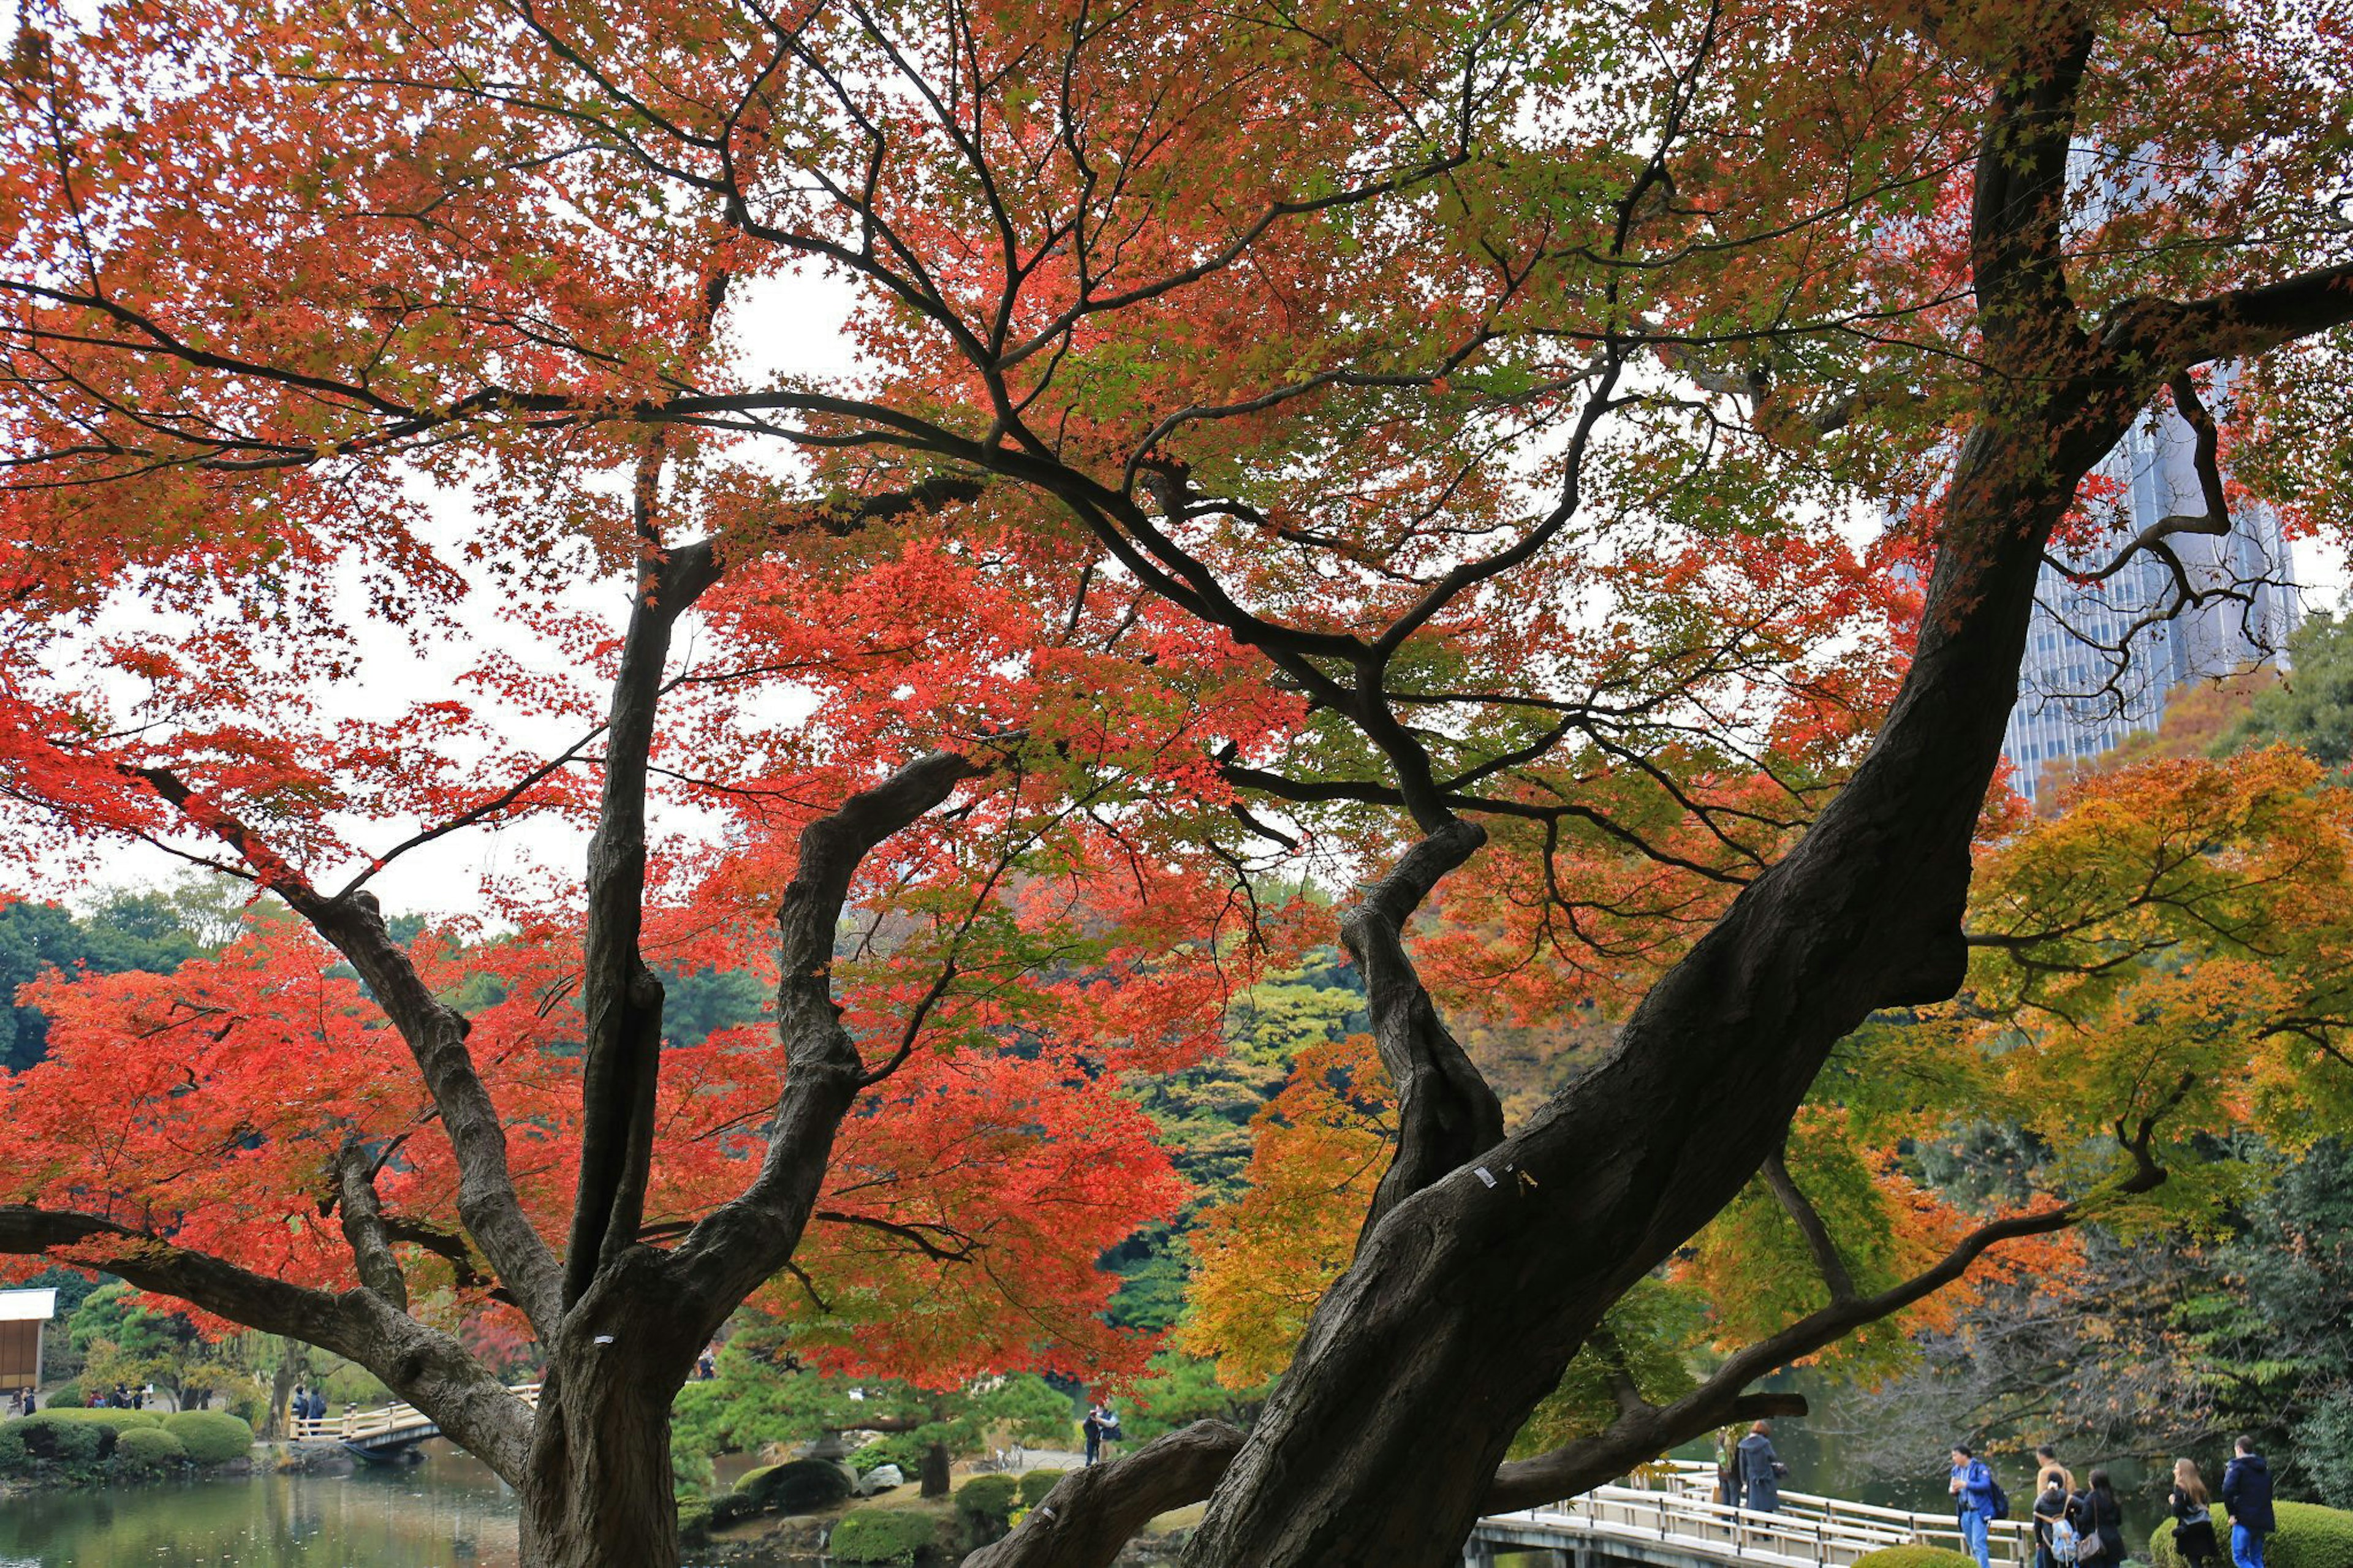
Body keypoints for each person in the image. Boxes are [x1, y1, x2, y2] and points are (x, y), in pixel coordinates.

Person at [2222, 1437, 2276, 1568]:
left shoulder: (2236, 1467)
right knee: (2257, 1558)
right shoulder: (2264, 1469)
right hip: (2261, 1518)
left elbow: (2227, 1490)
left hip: (2244, 1519)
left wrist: (2232, 1513)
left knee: (2240, 1558)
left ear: (2239, 1449)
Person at [1951, 1444, 1998, 1568]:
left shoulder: (1979, 1468)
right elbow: (1953, 1487)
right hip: (1964, 1512)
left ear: (1964, 1455)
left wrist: (1966, 1484)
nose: (1954, 1459)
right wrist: (1953, 1490)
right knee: (1972, 1545)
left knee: (1979, 1544)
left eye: (1955, 1455)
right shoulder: (1956, 1470)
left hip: (1978, 1512)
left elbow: (1985, 1485)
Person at [2172, 1458, 2220, 1568]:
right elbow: (2206, 1506)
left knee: (2193, 1560)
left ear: (2182, 1471)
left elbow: (2177, 1511)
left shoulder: (2180, 1488)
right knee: (2197, 1560)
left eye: (2176, 1468)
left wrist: (2173, 1502)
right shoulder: (2199, 1486)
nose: (2174, 1471)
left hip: (2189, 1529)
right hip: (2202, 1527)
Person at [1738, 1420, 1789, 1513]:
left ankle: (1751, 1523)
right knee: (1767, 1503)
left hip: (1752, 1478)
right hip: (1766, 1476)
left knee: (1753, 1503)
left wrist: (1744, 1479)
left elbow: (1742, 1464)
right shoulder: (1765, 1443)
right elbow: (1772, 1457)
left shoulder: (1744, 1445)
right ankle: (1768, 1525)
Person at [2076, 1469, 2125, 1566]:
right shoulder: (2113, 1496)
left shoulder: (2091, 1498)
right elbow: (2119, 1521)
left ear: (2094, 1483)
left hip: (2097, 1541)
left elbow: (2084, 1519)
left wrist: (2075, 1516)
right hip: (2114, 1539)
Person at [2033, 1472, 2073, 1568]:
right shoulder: (2067, 1498)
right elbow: (2082, 1507)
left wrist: (2039, 1541)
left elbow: (2037, 1523)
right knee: (2067, 1564)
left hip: (2048, 1539)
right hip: (2065, 1538)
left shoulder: (2041, 1500)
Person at [1082, 1403, 1104, 1467]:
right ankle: (1087, 1469)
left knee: (1100, 1457)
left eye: (1100, 1408)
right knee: (1089, 1458)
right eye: (1098, 1408)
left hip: (1099, 1439)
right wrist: (1090, 1435)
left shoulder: (1104, 1415)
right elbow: (1085, 1426)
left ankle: (1099, 1469)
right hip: (1091, 1439)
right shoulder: (1092, 1415)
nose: (1099, 1409)